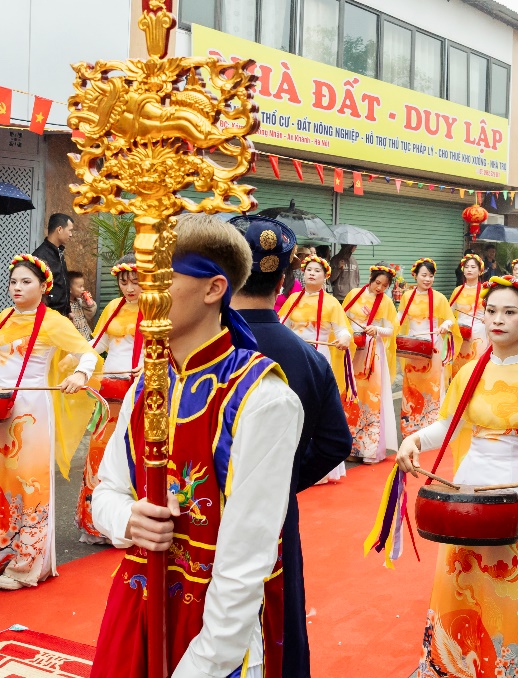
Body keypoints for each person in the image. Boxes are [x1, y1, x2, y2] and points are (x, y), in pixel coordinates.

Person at [90, 215, 304, 678]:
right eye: (143, 279)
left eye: (161, 280)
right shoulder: (146, 386)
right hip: (137, 603)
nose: (144, 295)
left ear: (214, 289)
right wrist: (130, 519)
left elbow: (246, 562)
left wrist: (204, 663)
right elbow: (105, 494)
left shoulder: (262, 398)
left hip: (215, 629)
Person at [396, 276, 518, 677]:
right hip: (467, 493)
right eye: (491, 311)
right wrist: (414, 439)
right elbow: (446, 427)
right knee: (459, 584)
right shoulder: (469, 372)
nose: (497, 320)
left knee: (516, 592)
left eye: (509, 312)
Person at [229, 215, 352, 677]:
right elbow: (336, 442)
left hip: (199, 506)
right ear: (283, 281)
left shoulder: (203, 346)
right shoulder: (308, 356)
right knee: (277, 608)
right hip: (277, 507)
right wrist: (285, 479)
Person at [0, 254, 102, 589]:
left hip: (32, 410)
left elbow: (87, 353)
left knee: (28, 480)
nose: (17, 287)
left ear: (43, 287)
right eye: (13, 281)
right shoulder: (5, 316)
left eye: (26, 282)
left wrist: (79, 374)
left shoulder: (53, 322)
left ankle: (28, 564)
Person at [78, 259, 143, 544]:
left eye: (135, 281)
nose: (129, 288)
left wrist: (148, 366)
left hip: (140, 391)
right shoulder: (113, 307)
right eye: (123, 282)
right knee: (100, 450)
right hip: (110, 391)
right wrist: (81, 366)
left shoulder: (159, 308)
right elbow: (98, 345)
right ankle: (97, 523)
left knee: (132, 452)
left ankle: (131, 523)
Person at [278, 253, 351, 483]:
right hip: (294, 355)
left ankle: (320, 466)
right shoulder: (293, 299)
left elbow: (343, 330)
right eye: (308, 269)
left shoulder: (331, 303)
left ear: (325, 276)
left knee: (315, 404)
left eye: (317, 270)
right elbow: (280, 324)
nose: (312, 273)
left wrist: (344, 339)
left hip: (319, 355)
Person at [341, 263, 401, 464]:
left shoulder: (386, 303)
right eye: (377, 283)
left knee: (371, 399)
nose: (379, 288)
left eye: (384, 286)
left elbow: (391, 330)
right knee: (352, 396)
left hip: (373, 354)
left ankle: (370, 449)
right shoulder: (354, 295)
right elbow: (343, 319)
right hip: (353, 350)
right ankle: (351, 447)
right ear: (371, 279)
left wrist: (377, 330)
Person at [395, 258, 457, 436]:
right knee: (412, 384)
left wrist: (445, 325)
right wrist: (388, 330)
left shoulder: (439, 298)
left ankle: (431, 427)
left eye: (431, 276)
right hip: (414, 347)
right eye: (424, 275)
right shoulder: (407, 296)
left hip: (433, 345)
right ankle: (411, 427)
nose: (427, 279)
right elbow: (400, 317)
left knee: (432, 384)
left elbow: (450, 319)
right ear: (415, 275)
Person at [448, 253, 488, 375]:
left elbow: (493, 312)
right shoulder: (457, 290)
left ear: (480, 271)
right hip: (460, 333)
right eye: (466, 267)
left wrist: (487, 318)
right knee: (458, 367)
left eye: (473, 267)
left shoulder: (485, 291)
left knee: (475, 366)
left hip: (478, 334)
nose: (469, 270)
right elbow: (449, 312)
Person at [32, 213, 74, 317]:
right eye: (69, 230)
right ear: (59, 229)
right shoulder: (40, 256)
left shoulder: (59, 252)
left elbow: (62, 282)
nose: (71, 234)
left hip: (61, 314)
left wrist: (67, 310)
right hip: (48, 315)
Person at [67, 271, 97, 340]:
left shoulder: (80, 301)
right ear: (69, 289)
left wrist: (88, 302)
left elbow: (89, 315)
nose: (83, 289)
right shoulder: (65, 306)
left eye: (83, 286)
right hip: (75, 341)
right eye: (80, 287)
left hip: (86, 338)